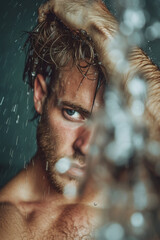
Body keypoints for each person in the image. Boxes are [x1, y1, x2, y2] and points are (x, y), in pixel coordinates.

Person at [0, 0, 160, 239]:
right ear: (40, 95)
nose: (87, 146)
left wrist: (102, 26)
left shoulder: (140, 201)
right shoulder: (8, 222)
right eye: (73, 113)